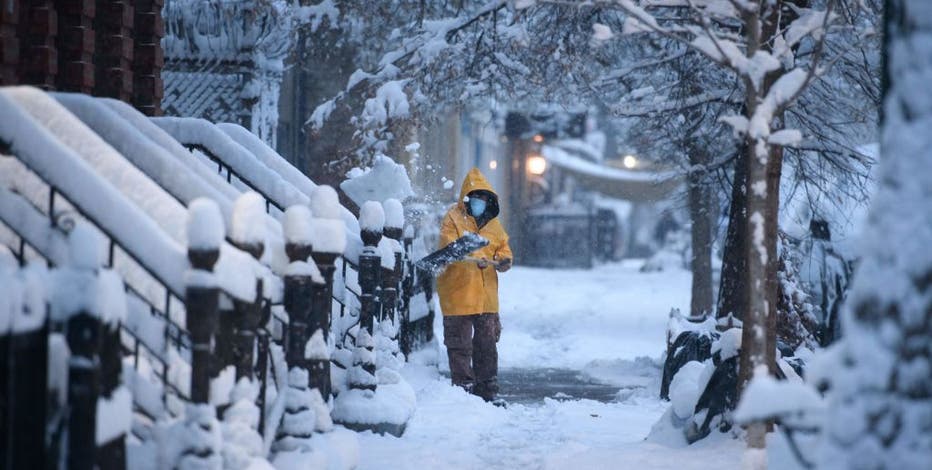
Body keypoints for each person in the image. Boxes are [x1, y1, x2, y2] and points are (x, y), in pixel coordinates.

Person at [436, 168, 513, 403]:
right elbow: (450, 246)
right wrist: (475, 255)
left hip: (486, 297)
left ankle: (487, 390)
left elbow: (503, 248)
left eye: (484, 198)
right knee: (459, 346)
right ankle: (463, 391)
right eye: (476, 197)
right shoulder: (452, 219)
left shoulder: (494, 225)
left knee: (486, 346)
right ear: (467, 197)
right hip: (458, 294)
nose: (480, 202)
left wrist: (503, 260)